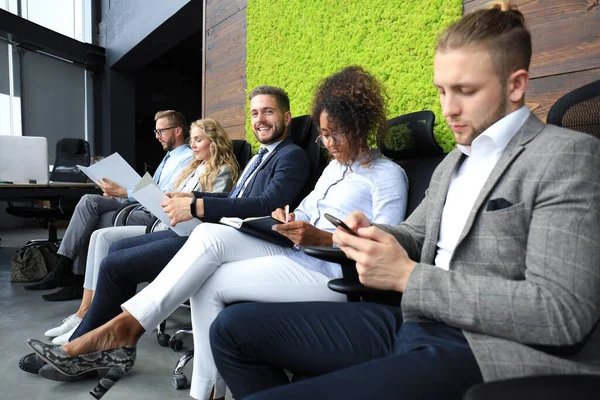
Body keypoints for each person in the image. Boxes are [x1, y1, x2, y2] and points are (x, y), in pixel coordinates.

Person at [205, 3, 600, 400]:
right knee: (231, 329)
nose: (448, 109)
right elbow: (414, 232)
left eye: (466, 91)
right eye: (442, 91)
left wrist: (409, 277)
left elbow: (561, 312)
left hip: (485, 347)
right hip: (414, 322)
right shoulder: (453, 163)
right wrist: (362, 235)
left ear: (516, 85)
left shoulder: (565, 156)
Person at [26, 66, 409, 400]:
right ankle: (193, 381)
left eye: (334, 135)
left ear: (360, 128)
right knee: (209, 249)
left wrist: (324, 239)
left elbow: (386, 244)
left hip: (329, 271)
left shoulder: (388, 175)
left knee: (208, 263)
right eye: (323, 136)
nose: (326, 144)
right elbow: (305, 211)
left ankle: (128, 329)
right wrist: (287, 217)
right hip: (294, 251)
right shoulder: (331, 169)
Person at [19, 85, 311, 379]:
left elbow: (267, 203)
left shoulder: (291, 155)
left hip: (229, 241)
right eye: (255, 113)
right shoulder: (261, 157)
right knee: (116, 250)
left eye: (268, 111)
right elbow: (235, 199)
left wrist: (197, 207)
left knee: (115, 266)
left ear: (286, 118)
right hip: (211, 232)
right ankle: (94, 347)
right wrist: (191, 197)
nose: (260, 119)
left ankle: (81, 348)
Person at [42, 118, 239, 346]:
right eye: (192, 139)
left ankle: (95, 326)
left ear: (214, 143)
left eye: (198, 140)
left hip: (182, 232)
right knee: (104, 238)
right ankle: (85, 314)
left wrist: (170, 201)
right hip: (164, 223)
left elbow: (210, 209)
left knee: (113, 255)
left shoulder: (221, 171)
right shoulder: (192, 168)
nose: (192, 145)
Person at [24, 110, 194, 302]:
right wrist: (118, 192)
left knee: (95, 220)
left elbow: (162, 197)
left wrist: (123, 193)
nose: (157, 137)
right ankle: (63, 267)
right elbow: (149, 189)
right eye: (156, 132)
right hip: (141, 204)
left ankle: (77, 280)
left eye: (161, 131)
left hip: (155, 213)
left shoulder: (186, 158)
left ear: (177, 131)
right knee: (89, 200)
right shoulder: (168, 158)